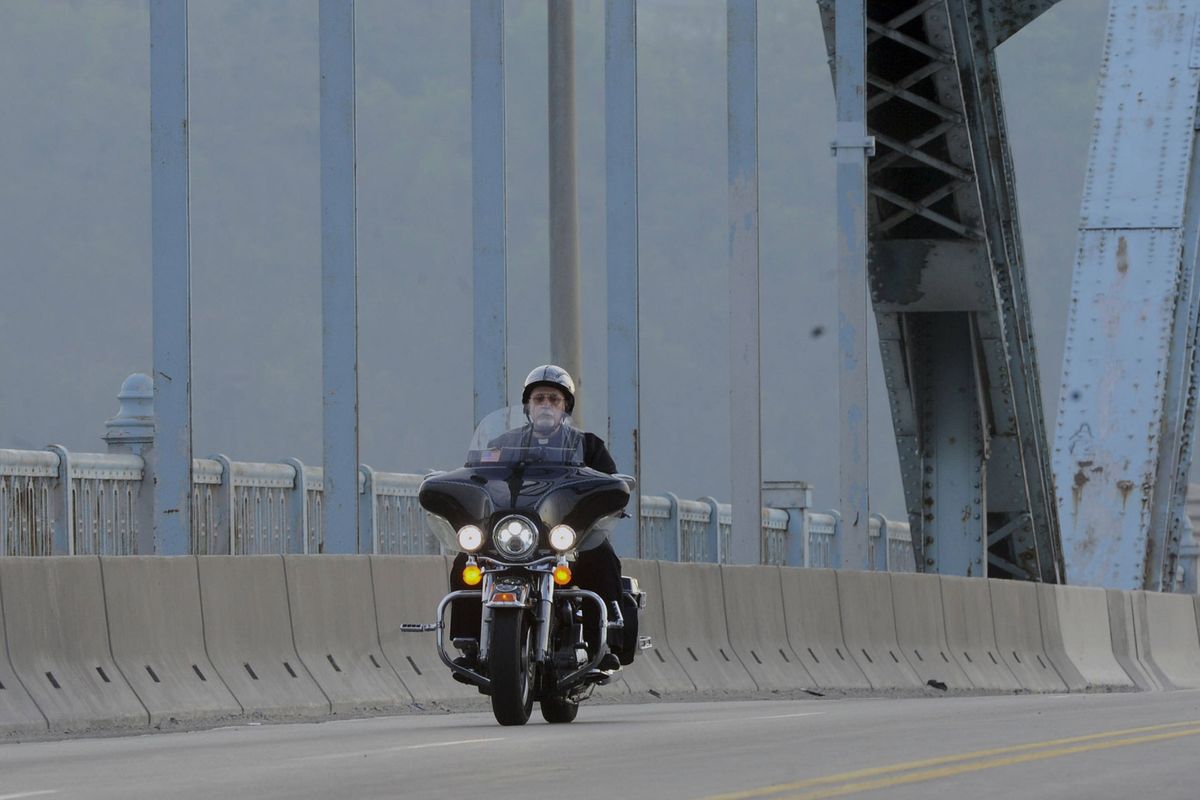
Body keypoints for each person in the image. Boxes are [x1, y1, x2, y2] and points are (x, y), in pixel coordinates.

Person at [449, 365, 625, 674]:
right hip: (512, 536)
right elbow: (479, 478)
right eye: (539, 398)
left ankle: (605, 642)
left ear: (565, 407)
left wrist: (610, 497)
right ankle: (469, 642)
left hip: (566, 537)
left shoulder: (588, 446)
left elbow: (610, 483)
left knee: (603, 559)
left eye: (553, 399)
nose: (546, 405)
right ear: (528, 406)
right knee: (467, 564)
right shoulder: (503, 445)